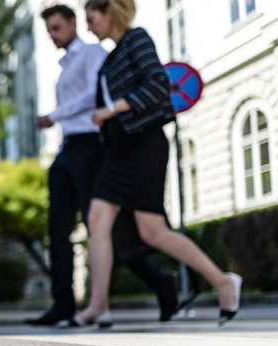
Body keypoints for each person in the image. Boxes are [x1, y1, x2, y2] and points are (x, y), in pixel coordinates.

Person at [61, 0, 242, 328]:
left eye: (92, 19)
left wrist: (112, 109)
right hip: (117, 152)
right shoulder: (110, 57)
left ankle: (223, 282)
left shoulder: (137, 39)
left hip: (144, 146)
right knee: (97, 221)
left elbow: (158, 85)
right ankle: (97, 306)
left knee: (154, 231)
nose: (89, 27)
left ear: (110, 13)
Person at [26, 4, 178, 326]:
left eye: (56, 28)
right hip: (67, 149)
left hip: (92, 148)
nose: (53, 35)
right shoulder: (64, 65)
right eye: (48, 30)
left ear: (72, 23)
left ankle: (157, 282)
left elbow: (92, 99)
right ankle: (64, 303)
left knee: (106, 228)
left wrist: (53, 116)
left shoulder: (95, 53)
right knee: (60, 228)